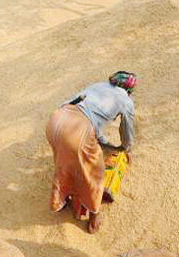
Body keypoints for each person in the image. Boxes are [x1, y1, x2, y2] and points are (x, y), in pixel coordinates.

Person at [46, 72, 137, 234]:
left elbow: (90, 119)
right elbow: (127, 133)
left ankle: (60, 200)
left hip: (56, 120)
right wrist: (124, 149)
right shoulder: (126, 101)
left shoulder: (99, 86)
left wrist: (106, 144)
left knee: (64, 161)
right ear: (129, 90)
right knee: (95, 172)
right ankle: (94, 217)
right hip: (77, 130)